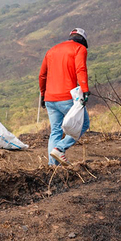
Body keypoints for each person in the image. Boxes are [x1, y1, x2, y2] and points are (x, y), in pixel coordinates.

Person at [39, 27, 91, 166]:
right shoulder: (79, 49)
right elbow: (80, 69)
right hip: (66, 98)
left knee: (55, 131)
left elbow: (42, 75)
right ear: (82, 40)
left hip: (50, 98)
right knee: (84, 124)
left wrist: (43, 95)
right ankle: (60, 148)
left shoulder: (51, 50)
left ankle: (52, 167)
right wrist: (85, 89)